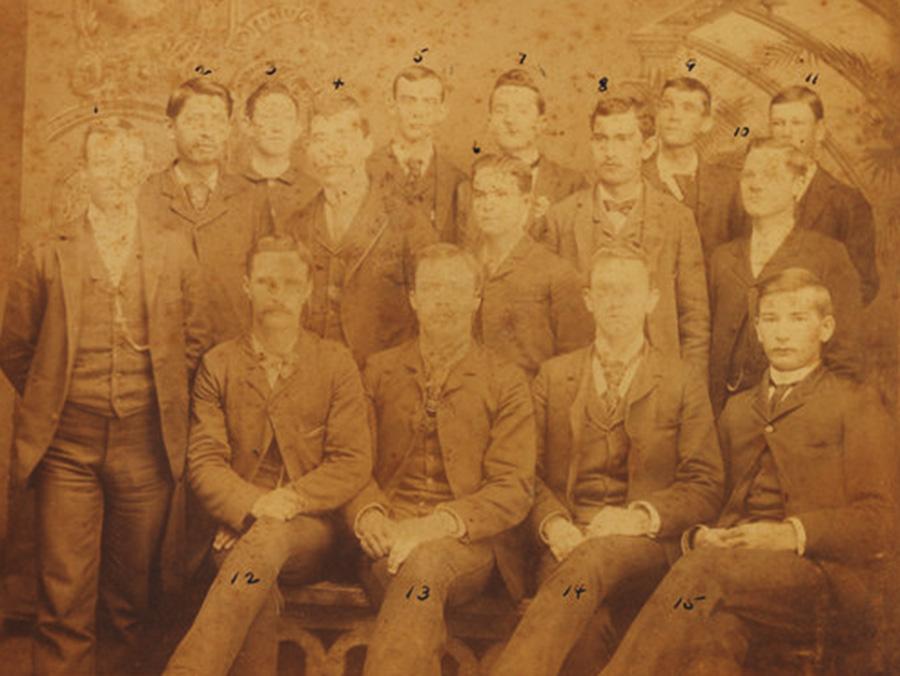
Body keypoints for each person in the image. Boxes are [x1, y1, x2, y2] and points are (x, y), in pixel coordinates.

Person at [601, 267, 895, 676]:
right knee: (713, 637)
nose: (782, 333)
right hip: (735, 578)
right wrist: (699, 535)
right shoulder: (738, 410)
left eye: (797, 318)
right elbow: (710, 496)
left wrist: (790, 533)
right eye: (771, 319)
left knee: (702, 571)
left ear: (825, 328)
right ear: (757, 330)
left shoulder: (856, 404)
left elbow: (882, 521)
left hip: (818, 581)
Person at [0, 118, 209, 675]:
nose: (116, 176)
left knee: (128, 597)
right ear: (85, 172)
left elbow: (195, 339)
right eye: (104, 164)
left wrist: (153, 399)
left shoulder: (173, 249)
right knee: (64, 595)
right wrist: (59, 399)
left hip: (145, 445)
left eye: (127, 165)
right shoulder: (48, 253)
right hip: (67, 446)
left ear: (141, 172)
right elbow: (15, 347)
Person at [489, 243, 723, 676]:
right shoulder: (554, 377)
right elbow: (524, 475)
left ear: (652, 299)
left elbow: (704, 484)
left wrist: (639, 517)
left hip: (646, 550)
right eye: (605, 291)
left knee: (595, 561)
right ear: (588, 300)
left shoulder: (681, 380)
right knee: (587, 633)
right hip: (566, 545)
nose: (616, 302)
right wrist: (554, 525)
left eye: (628, 290)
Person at [164, 236, 371, 676]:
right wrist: (253, 505)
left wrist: (286, 502)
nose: (279, 296)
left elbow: (351, 461)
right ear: (246, 286)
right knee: (251, 574)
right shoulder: (219, 364)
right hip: (239, 523)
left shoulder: (335, 363)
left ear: (309, 289)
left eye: (291, 284)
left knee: (265, 541)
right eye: (267, 283)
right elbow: (205, 460)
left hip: (310, 530)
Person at [347, 243, 536, 676]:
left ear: (476, 299)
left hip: (467, 546)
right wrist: (369, 514)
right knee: (413, 574)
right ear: (414, 299)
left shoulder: (505, 381)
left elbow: (513, 488)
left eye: (456, 289)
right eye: (432, 289)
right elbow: (351, 463)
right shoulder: (379, 370)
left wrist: (433, 526)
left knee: (424, 566)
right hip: (386, 537)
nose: (444, 301)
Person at [545, 95, 710, 373]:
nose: (609, 152)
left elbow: (694, 319)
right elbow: (546, 316)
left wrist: (689, 388)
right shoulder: (561, 218)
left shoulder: (677, 219)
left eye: (622, 139)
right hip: (582, 376)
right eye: (601, 139)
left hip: (657, 377)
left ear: (647, 147)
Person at [709, 137, 862, 414]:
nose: (755, 185)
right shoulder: (722, 258)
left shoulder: (827, 256)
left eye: (770, 175)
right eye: (748, 175)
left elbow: (845, 358)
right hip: (721, 416)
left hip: (798, 418)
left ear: (798, 185)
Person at [286, 93, 435, 366]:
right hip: (314, 373)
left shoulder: (407, 221)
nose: (330, 150)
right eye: (319, 138)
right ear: (308, 151)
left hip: (386, 376)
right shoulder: (297, 225)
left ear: (367, 145)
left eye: (342, 135)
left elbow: (434, 310)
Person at [139, 77, 271, 343]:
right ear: (170, 128)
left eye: (216, 121)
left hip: (234, 349)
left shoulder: (252, 198)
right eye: (195, 121)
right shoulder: (144, 196)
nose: (206, 132)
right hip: (165, 349)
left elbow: (269, 282)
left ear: (228, 130)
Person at [730, 85, 878, 304]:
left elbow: (862, 285)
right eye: (778, 123)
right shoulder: (749, 195)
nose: (786, 132)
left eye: (797, 123)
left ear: (819, 131)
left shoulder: (847, 202)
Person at [468, 153, 592, 378]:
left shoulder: (557, 273)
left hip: (531, 396)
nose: (488, 205)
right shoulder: (463, 267)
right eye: (480, 195)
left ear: (525, 203)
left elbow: (574, 363)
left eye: (501, 194)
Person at [458, 68, 585, 245]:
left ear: (541, 123)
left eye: (522, 111)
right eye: (501, 110)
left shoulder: (571, 186)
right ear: (490, 122)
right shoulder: (467, 191)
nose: (510, 119)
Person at [644, 77, 741, 261]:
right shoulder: (635, 178)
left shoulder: (729, 185)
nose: (674, 116)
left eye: (687, 108)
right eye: (667, 105)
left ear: (706, 124)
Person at [367, 65, 466, 242]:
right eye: (408, 100)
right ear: (391, 105)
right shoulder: (364, 172)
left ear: (442, 111)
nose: (418, 112)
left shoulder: (458, 181)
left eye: (429, 102)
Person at [239, 80, 320, 233]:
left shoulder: (315, 192)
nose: (277, 128)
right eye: (267, 116)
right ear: (248, 126)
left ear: (298, 128)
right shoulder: (229, 191)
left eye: (287, 118)